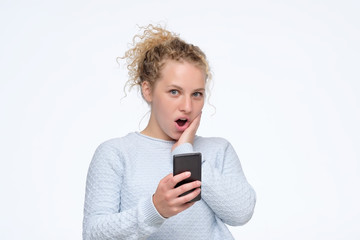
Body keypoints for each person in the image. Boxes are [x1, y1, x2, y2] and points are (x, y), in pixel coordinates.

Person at [82, 24, 256, 240]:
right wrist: (154, 210)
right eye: (174, 92)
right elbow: (93, 234)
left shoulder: (219, 150)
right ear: (148, 90)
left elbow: (241, 213)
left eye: (197, 94)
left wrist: (185, 154)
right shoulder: (116, 153)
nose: (187, 106)